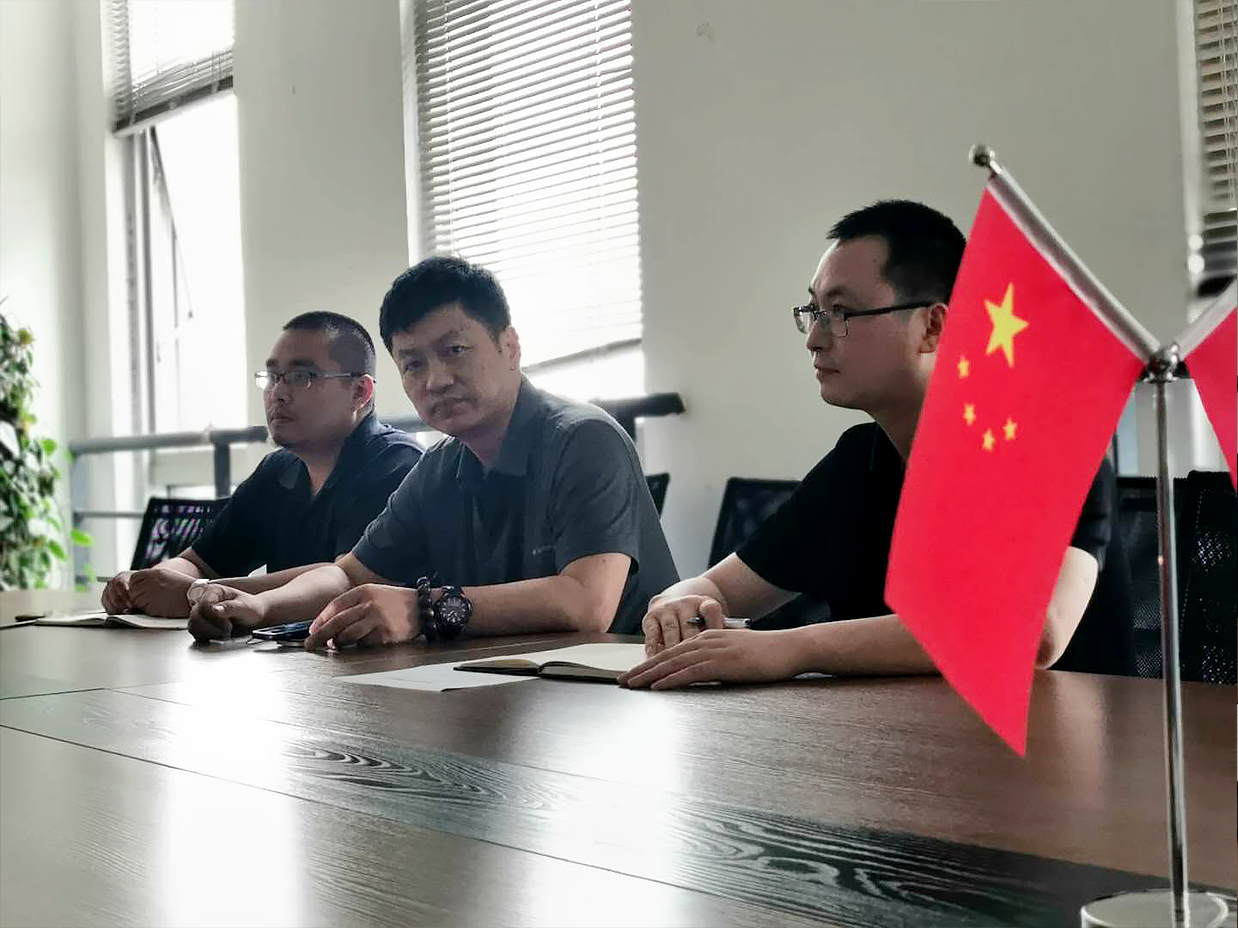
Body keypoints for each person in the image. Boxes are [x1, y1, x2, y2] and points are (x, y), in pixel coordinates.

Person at [620, 200, 1134, 690]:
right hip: (897, 740)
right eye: (814, 310)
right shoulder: (858, 463)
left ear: (932, 326)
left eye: (841, 312)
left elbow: (1032, 633)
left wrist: (794, 648)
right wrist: (678, 603)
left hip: (1060, 742)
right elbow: (716, 587)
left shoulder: (1051, 445)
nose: (814, 338)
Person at [186, 256, 678, 645]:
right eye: (413, 364)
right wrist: (258, 607)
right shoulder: (440, 467)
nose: (436, 380)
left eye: (454, 351)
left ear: (509, 347)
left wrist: (423, 609)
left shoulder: (583, 438)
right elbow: (347, 575)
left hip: (621, 700)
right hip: (507, 694)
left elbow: (586, 604)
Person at [101, 311, 422, 618]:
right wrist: (144, 583)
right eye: (272, 377)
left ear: (359, 392)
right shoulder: (277, 470)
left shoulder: (395, 464)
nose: (277, 393)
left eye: (300, 377)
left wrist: (199, 593)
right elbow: (199, 562)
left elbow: (347, 580)